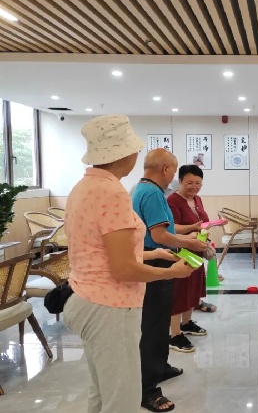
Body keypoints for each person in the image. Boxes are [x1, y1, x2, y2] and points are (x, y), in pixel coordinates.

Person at [63, 115, 194, 413]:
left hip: (85, 296)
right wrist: (172, 272)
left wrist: (155, 254)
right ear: (123, 153)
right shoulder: (112, 193)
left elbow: (102, 252)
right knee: (121, 400)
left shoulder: (84, 187)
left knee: (102, 393)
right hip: (110, 307)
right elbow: (122, 269)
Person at [132, 148, 209, 411]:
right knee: (153, 324)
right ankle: (147, 389)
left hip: (154, 256)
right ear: (166, 169)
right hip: (156, 257)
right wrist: (190, 243)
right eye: (174, 171)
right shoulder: (154, 193)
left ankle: (159, 367)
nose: (174, 177)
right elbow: (160, 235)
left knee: (159, 318)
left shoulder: (141, 188)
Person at [167, 165, 219, 353]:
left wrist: (207, 226)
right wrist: (194, 227)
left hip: (197, 248)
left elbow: (201, 222)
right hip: (181, 251)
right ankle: (174, 334)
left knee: (193, 288)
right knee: (179, 291)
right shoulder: (173, 200)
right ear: (180, 181)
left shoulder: (197, 199)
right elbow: (171, 227)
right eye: (189, 182)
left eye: (198, 183)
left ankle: (187, 323)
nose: (194, 186)